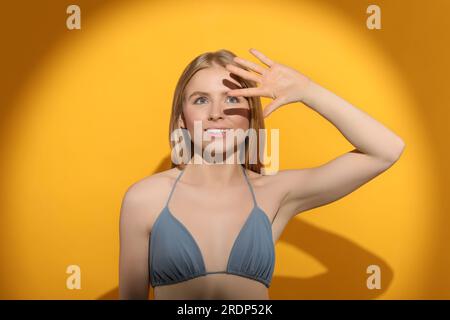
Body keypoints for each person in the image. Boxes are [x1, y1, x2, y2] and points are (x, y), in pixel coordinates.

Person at [118, 48, 405, 300]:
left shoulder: (275, 193)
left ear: (251, 115)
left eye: (231, 99)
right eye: (201, 100)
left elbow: (385, 150)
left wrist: (307, 91)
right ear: (182, 117)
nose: (217, 113)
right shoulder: (145, 198)